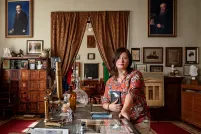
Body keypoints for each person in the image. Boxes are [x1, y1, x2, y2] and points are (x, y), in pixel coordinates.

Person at [102, 47, 151, 134]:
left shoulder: (136, 75)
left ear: (129, 61)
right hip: (119, 121)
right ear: (114, 60)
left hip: (139, 121)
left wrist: (124, 111)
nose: (121, 60)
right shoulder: (110, 81)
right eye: (119, 58)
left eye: (125, 58)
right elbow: (104, 101)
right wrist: (109, 106)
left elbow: (131, 93)